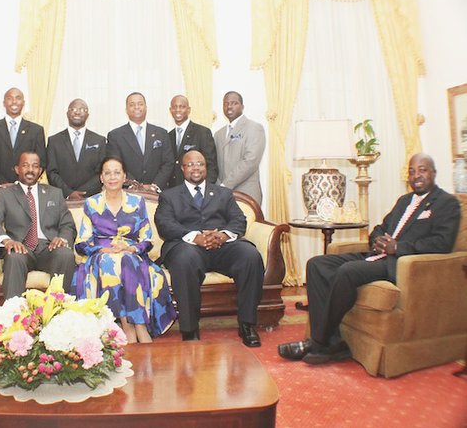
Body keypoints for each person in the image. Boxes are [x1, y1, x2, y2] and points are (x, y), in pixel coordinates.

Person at [278, 153, 460, 364]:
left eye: (422, 170)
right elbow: (381, 227)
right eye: (412, 171)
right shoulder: (404, 201)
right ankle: (335, 343)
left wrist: (397, 247)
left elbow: (442, 243)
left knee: (348, 272)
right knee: (317, 264)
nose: (416, 175)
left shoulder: (447, 204)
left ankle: (317, 342)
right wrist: (378, 240)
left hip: (398, 264)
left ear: (434, 173)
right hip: (376, 254)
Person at [155, 150, 264, 346]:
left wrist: (223, 236)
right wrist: (195, 237)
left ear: (206, 167)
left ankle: (247, 325)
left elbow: (239, 220)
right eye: (190, 164)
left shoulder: (223, 193)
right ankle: (190, 329)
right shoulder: (169, 196)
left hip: (221, 246)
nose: (195, 168)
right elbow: (165, 224)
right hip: (187, 246)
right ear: (182, 169)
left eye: (200, 164)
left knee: (250, 255)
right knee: (184, 259)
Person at [72, 156, 176, 343]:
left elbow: (147, 238)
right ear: (101, 178)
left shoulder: (137, 202)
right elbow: (82, 241)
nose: (112, 177)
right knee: (111, 262)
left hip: (131, 253)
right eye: (107, 173)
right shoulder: (92, 203)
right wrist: (100, 250)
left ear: (124, 176)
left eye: (117, 172)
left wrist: (130, 247)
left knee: (126, 260)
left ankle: (139, 325)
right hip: (102, 255)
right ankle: (128, 325)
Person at [0, 151, 76, 298]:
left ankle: (59, 311)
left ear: (40, 171)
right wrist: (7, 241)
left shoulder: (54, 193)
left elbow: (68, 224)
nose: (30, 170)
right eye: (25, 165)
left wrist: (62, 239)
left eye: (35, 166)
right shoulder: (5, 194)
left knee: (65, 254)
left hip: (49, 248)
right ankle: (13, 314)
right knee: (14, 257)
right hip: (21, 247)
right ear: (17, 169)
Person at [0, 87, 47, 210]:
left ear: (23, 103)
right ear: (4, 103)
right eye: (9, 98)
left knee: (27, 228)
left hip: (27, 192)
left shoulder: (36, 130)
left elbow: (41, 161)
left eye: (18, 98)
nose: (14, 102)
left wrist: (19, 183)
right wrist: (2, 183)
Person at [107, 92, 174, 191]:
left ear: (146, 107)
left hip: (158, 193)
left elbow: (168, 162)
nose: (136, 107)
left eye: (140, 104)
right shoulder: (115, 136)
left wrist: (155, 185)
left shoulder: (161, 133)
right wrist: (135, 185)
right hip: (128, 193)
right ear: (126, 110)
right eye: (132, 105)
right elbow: (116, 165)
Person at [46, 99, 106, 200]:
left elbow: (101, 172)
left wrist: (83, 193)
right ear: (67, 113)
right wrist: (69, 192)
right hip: (61, 198)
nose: (77, 112)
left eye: (82, 109)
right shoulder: (54, 141)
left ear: (87, 115)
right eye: (73, 109)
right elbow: (51, 172)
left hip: (92, 198)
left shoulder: (100, 140)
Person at [213, 91, 265, 205]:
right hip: (221, 196)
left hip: (246, 194)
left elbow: (251, 161)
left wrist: (225, 185)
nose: (229, 106)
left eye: (234, 103)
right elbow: (214, 164)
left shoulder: (254, 128)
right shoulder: (218, 134)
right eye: (226, 104)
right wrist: (218, 187)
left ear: (242, 106)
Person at [167, 95, 218, 187]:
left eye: (182, 107)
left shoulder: (202, 132)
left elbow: (211, 165)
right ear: (170, 110)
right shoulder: (168, 136)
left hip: (197, 189)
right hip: (174, 192)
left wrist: (205, 189)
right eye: (175, 107)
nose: (178, 110)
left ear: (189, 110)